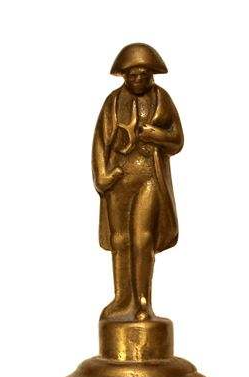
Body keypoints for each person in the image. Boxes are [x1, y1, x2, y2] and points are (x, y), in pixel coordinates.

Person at [92, 43, 184, 322]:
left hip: (148, 178)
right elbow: (100, 142)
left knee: (142, 238)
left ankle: (143, 301)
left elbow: (177, 140)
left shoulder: (161, 99)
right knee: (120, 239)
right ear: (123, 76)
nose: (137, 79)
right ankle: (123, 299)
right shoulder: (113, 102)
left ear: (152, 74)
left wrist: (155, 134)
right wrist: (103, 175)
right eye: (132, 75)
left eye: (143, 74)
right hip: (120, 178)